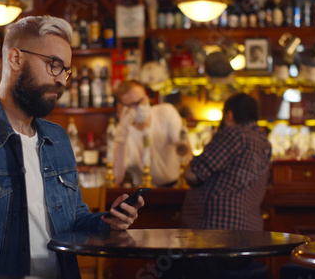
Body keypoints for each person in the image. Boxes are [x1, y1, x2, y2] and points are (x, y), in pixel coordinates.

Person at [0, 16, 144, 279]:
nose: (62, 80)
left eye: (66, 70)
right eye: (54, 65)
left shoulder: (58, 138)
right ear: (15, 59)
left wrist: (108, 222)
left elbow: (74, 220)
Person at [182, 92, 272, 231]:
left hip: (218, 227)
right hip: (250, 226)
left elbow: (194, 173)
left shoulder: (234, 134)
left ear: (229, 115)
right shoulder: (265, 142)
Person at [112, 80, 192, 187]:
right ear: (122, 108)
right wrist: (123, 131)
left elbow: (184, 150)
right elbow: (116, 178)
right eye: (134, 104)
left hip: (175, 187)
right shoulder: (121, 133)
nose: (141, 106)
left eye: (143, 100)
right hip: (144, 192)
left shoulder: (165, 112)